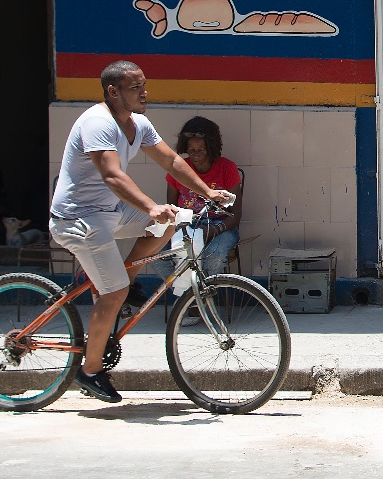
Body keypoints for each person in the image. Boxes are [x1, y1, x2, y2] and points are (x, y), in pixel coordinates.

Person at [49, 60, 233, 404]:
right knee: (114, 289)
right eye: (136, 87)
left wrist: (207, 191)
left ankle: (125, 283)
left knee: (171, 220)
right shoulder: (97, 122)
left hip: (109, 213)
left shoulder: (140, 124)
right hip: (79, 218)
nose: (144, 92)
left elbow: (172, 162)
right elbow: (112, 175)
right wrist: (150, 206)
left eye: (144, 85)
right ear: (113, 92)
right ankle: (89, 371)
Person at [165, 117, 243, 325]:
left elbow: (235, 215)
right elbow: (171, 208)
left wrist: (214, 230)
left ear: (211, 147)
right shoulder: (179, 168)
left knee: (215, 253)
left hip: (221, 227)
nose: (196, 154)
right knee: (158, 254)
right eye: (191, 149)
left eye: (201, 149)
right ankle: (187, 296)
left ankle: (205, 299)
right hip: (187, 227)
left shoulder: (227, 168)